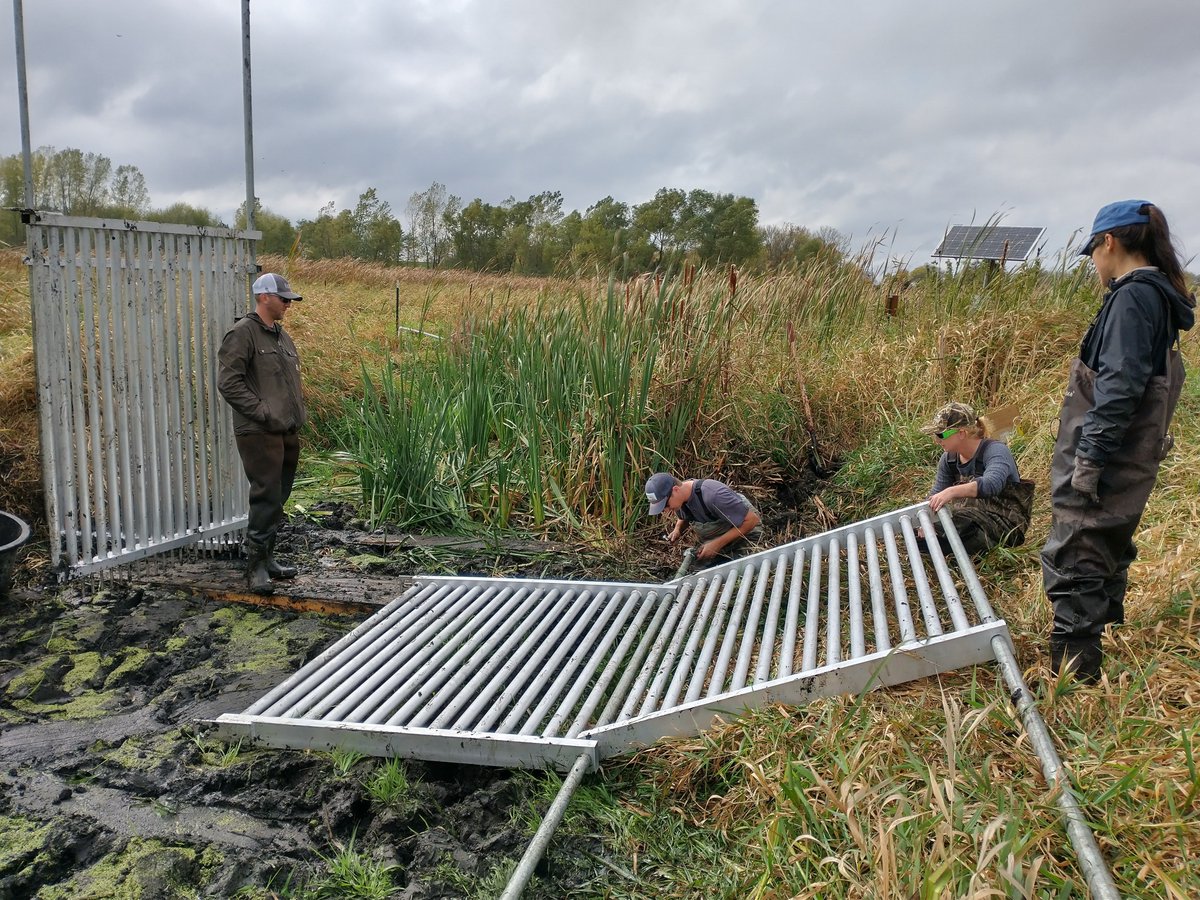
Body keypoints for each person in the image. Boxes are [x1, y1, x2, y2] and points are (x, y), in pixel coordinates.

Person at [1041, 200, 1195, 683]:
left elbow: (1121, 385)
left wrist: (1089, 458)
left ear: (1110, 243)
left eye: (1093, 251)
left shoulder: (1132, 298)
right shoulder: (1157, 297)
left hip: (1107, 457)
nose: (1092, 262)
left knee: (1077, 554)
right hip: (1129, 456)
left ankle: (1076, 679)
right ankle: (1091, 661)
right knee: (1103, 547)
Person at [218, 273, 307, 594]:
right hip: (259, 432)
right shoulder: (243, 334)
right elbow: (229, 382)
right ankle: (255, 567)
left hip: (286, 429)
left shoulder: (280, 337)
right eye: (283, 298)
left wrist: (293, 415)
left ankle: (268, 558)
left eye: (289, 299)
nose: (288, 303)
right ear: (264, 297)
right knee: (265, 494)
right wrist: (263, 413)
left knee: (278, 495)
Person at [919, 402, 1034, 557]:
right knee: (916, 533)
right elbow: (935, 495)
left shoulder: (996, 450)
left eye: (941, 434)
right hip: (967, 519)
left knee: (963, 527)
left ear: (961, 433)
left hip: (1005, 525)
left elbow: (992, 484)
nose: (937, 440)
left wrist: (952, 491)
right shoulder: (948, 460)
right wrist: (927, 521)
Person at [645, 472, 764, 564]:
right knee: (700, 565)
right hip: (719, 533)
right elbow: (684, 517)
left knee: (736, 564)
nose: (665, 511)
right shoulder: (680, 498)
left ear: (675, 490)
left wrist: (716, 544)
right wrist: (678, 530)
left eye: (665, 505)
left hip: (745, 531)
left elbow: (752, 520)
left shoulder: (714, 495)